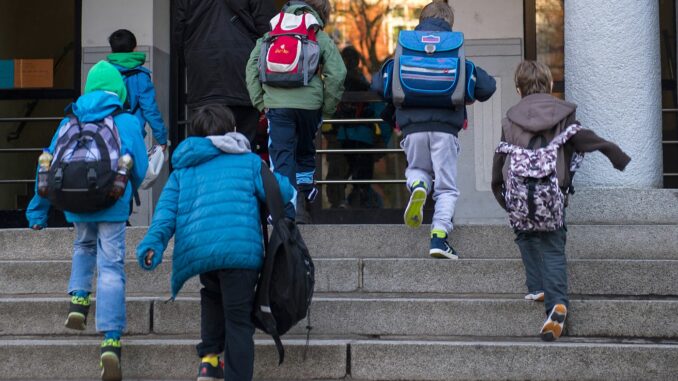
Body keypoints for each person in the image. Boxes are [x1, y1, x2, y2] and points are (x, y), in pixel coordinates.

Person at [136, 104, 294, 380]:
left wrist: (153, 244)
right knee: (238, 321)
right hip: (240, 253)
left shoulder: (183, 169)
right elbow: (282, 191)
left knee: (211, 293)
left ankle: (209, 360)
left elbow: (165, 215)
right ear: (232, 129)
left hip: (201, 252)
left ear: (196, 134)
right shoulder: (249, 162)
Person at [491, 60, 631, 341]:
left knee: (525, 235)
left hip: (519, 197)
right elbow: (585, 140)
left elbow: (500, 161)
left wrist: (501, 194)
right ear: (551, 85)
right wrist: (614, 154)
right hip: (553, 195)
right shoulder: (564, 116)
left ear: (518, 90)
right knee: (553, 246)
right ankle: (556, 303)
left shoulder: (509, 121)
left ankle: (536, 286)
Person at [26, 61, 148, 381]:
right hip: (112, 203)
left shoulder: (70, 118)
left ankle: (78, 302)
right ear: (119, 90)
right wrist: (125, 187)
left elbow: (47, 164)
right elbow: (141, 169)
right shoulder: (126, 120)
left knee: (83, 245)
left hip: (75, 203)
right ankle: (110, 339)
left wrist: (37, 212)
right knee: (111, 266)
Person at [393, 1, 496, 258]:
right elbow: (488, 87)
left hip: (412, 129)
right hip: (445, 131)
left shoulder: (405, 50)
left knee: (417, 169)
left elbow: (378, 83)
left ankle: (418, 185)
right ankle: (439, 238)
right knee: (447, 188)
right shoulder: (454, 53)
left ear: (421, 20)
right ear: (449, 23)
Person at [246, 0, 347, 223]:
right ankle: (304, 187)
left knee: (281, 158)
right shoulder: (316, 35)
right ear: (320, 13)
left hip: (278, 107)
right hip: (310, 107)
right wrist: (327, 109)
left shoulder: (272, 33)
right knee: (304, 149)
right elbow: (337, 73)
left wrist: (261, 103)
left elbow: (251, 66)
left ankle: (286, 214)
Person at [174, 0, 276, 145]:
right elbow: (268, 29)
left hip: (202, 75)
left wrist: (191, 60)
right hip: (243, 72)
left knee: (203, 144)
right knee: (244, 143)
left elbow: (179, 32)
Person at [107, 29, 168, 150]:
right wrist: (162, 138)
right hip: (132, 135)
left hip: (106, 134)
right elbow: (150, 109)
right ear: (135, 49)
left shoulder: (105, 72)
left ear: (112, 50)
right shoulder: (140, 76)